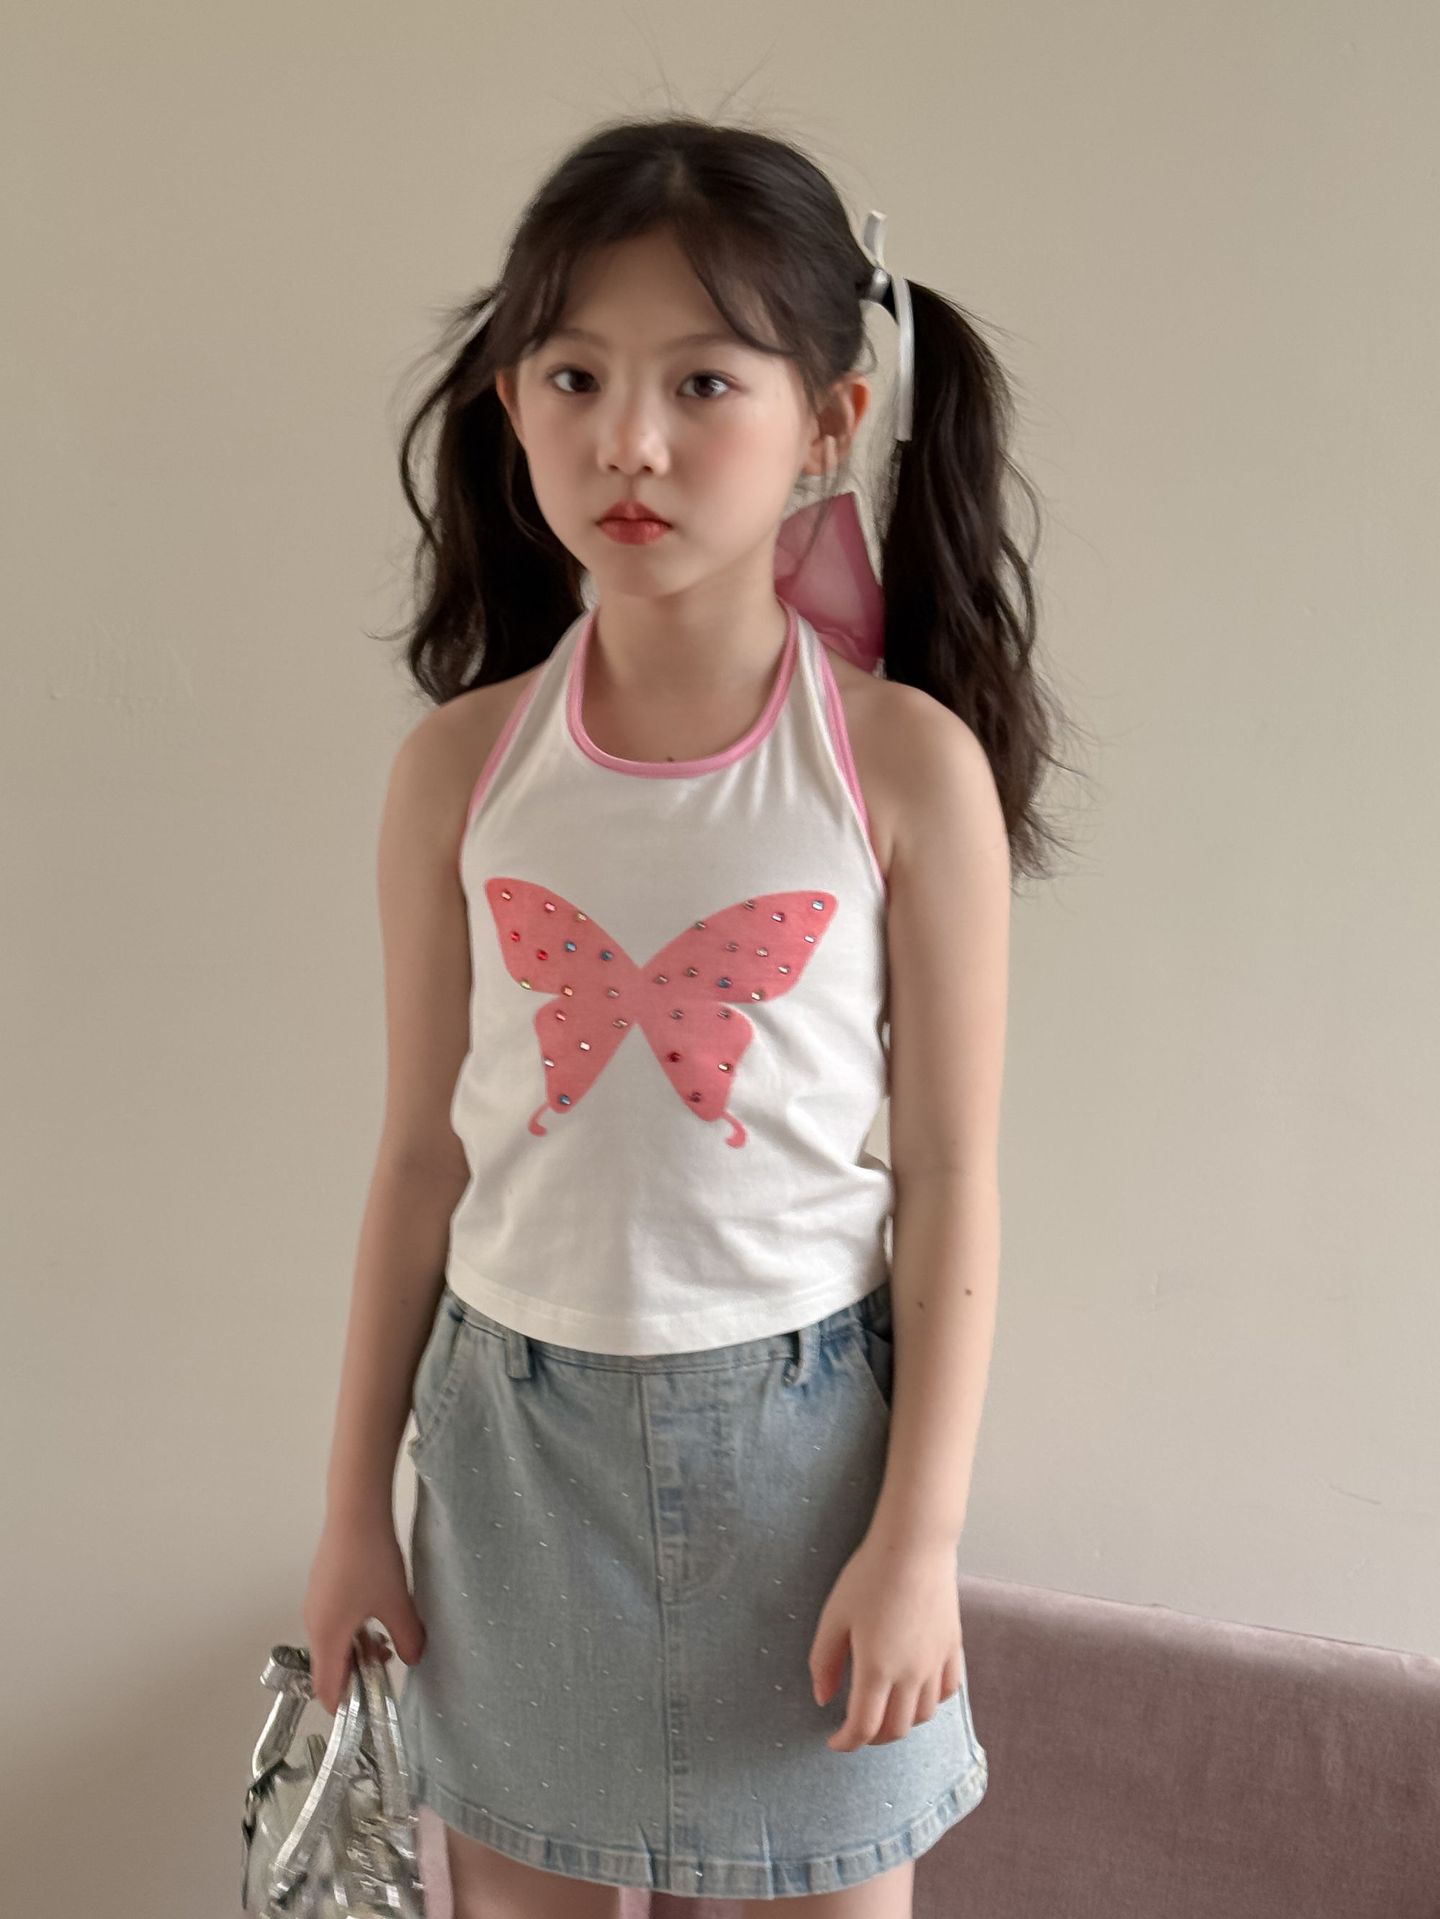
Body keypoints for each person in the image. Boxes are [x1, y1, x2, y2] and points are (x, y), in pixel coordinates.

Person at [303, 112, 1071, 1919]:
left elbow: (952, 1180)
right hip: (512, 1457)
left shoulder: (904, 768)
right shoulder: (458, 773)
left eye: (704, 383)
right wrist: (349, 1516)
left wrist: (920, 1540)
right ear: (512, 403)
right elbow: (419, 1163)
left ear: (831, 418)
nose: (628, 442)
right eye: (575, 376)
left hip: (812, 1463)